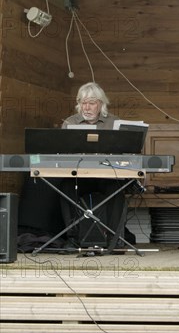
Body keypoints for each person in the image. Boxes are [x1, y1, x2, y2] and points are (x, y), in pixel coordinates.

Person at [60, 82, 129, 248]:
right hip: (78, 176)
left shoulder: (114, 122)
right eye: (83, 103)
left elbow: (125, 151)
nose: (87, 108)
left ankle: (114, 238)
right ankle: (73, 237)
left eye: (91, 103)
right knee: (65, 187)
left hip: (107, 175)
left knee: (117, 188)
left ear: (101, 104)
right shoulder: (70, 122)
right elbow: (61, 153)